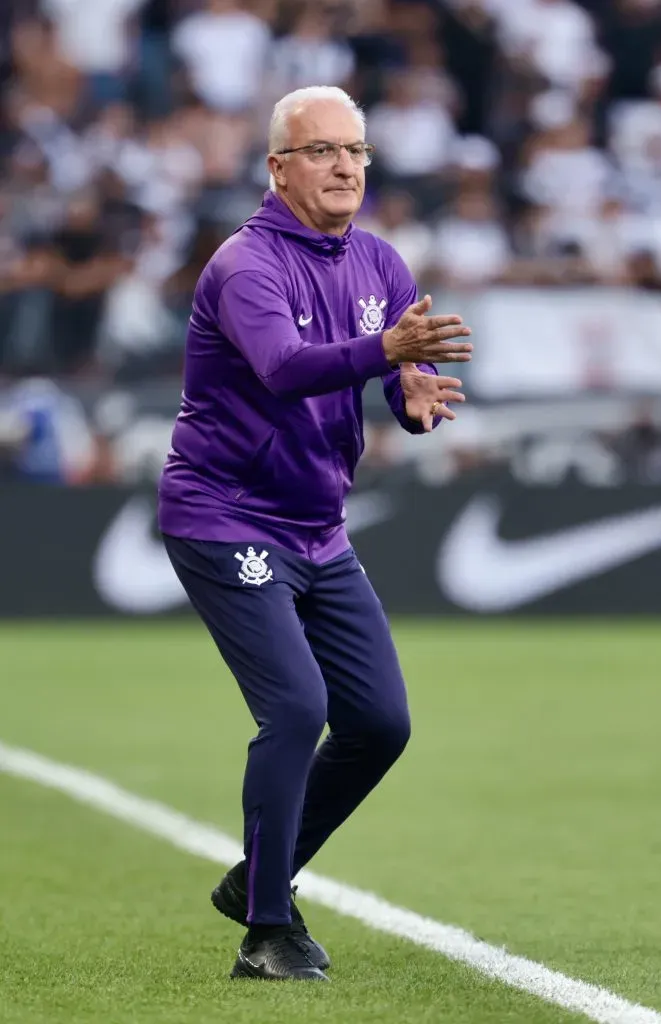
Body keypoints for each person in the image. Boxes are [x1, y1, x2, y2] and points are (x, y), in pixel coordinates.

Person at [158, 85, 473, 982]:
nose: (345, 167)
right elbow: (285, 369)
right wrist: (385, 356)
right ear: (279, 167)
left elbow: (401, 376)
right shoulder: (244, 266)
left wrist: (412, 400)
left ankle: (258, 874)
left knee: (379, 722)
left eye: (357, 151)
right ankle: (267, 926)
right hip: (226, 516)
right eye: (324, 150)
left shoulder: (380, 265)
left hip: (317, 526)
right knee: (297, 708)